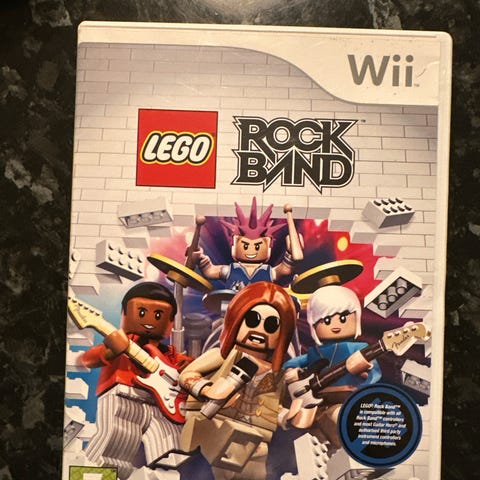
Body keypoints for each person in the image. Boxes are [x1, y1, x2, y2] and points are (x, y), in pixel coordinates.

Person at [179, 282, 300, 480]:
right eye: (253, 320)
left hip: (255, 440)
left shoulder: (276, 375)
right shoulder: (223, 356)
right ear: (237, 319)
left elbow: (271, 407)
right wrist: (207, 389)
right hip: (211, 426)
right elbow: (187, 375)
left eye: (271, 325)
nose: (260, 330)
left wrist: (287, 417)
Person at [81, 282, 191, 480]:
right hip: (125, 398)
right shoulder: (121, 343)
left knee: (171, 455)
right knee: (113, 449)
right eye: (141, 312)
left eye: (158, 315)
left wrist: (188, 369)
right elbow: (89, 358)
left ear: (170, 321)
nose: (149, 321)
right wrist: (112, 350)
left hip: (163, 409)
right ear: (124, 313)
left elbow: (187, 367)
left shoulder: (169, 354)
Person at [283, 285, 381, 454]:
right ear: (314, 324)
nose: (335, 325)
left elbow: (375, 374)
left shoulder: (357, 349)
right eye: (326, 320)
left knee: (340, 425)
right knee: (310, 441)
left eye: (343, 318)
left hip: (346, 402)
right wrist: (292, 372)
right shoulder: (314, 352)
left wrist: (366, 381)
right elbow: (291, 364)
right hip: (315, 405)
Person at [192, 197, 301, 291]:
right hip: (234, 306)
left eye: (257, 246)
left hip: (261, 306)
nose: (251, 250)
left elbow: (285, 269)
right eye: (245, 245)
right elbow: (210, 271)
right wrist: (200, 259)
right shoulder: (231, 270)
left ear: (268, 247)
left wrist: (290, 252)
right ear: (234, 245)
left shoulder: (268, 272)